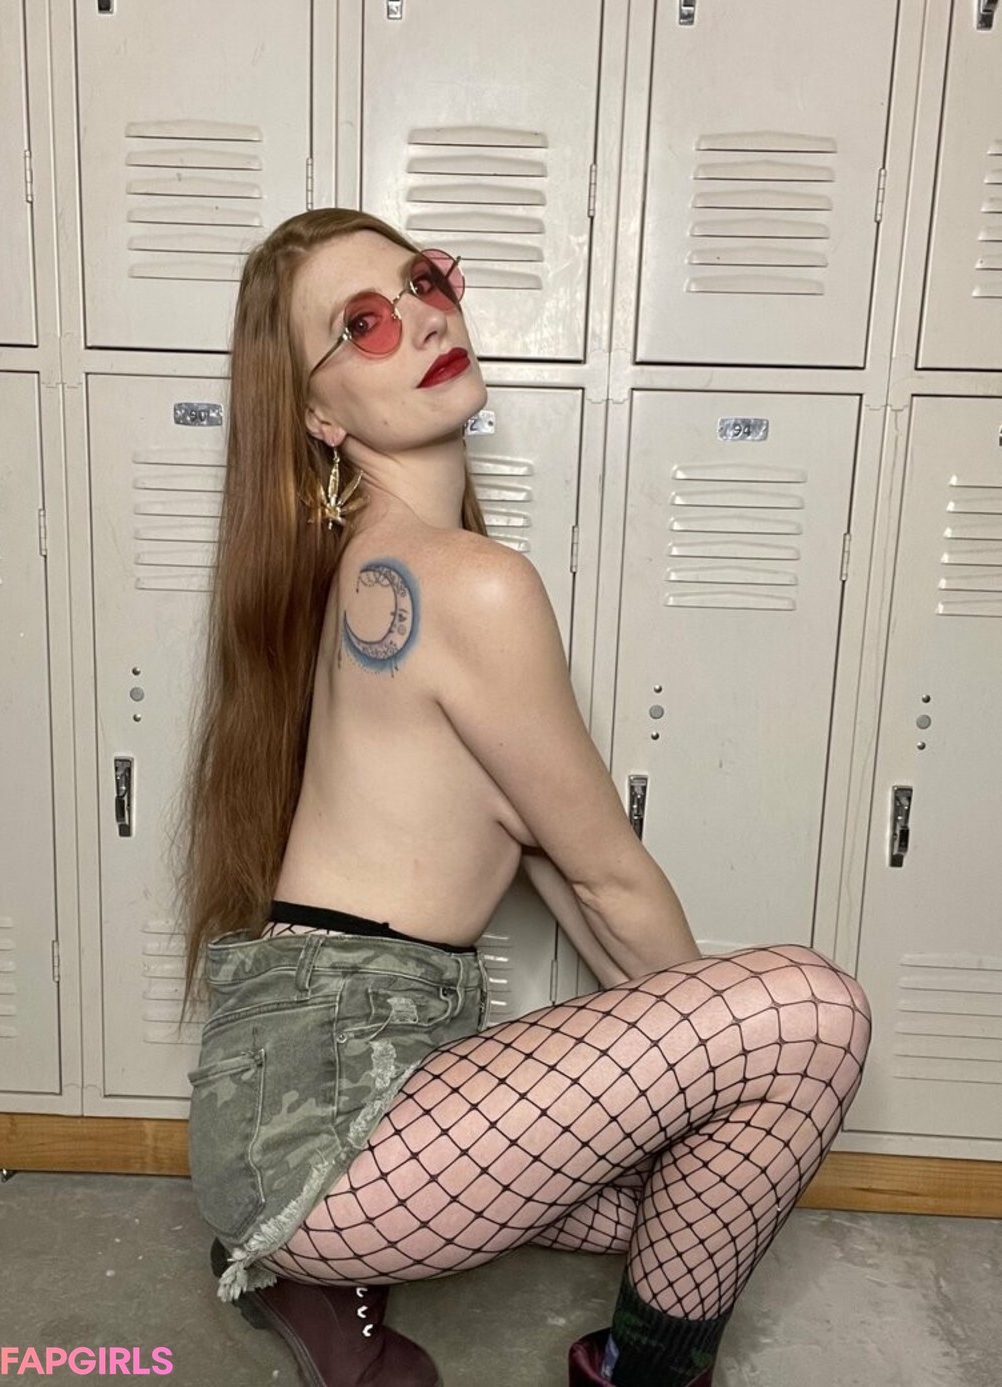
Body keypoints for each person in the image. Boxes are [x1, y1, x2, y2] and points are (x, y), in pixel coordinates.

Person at [174, 207, 872, 1387]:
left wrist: (705, 1089)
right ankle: (643, 1372)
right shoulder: (467, 582)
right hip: (330, 1122)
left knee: (701, 1190)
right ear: (320, 415)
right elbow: (608, 878)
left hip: (313, 1099)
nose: (422, 318)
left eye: (425, 280)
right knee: (814, 1014)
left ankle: (300, 1274)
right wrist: (728, 1053)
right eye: (363, 323)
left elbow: (567, 874)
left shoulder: (385, 566)